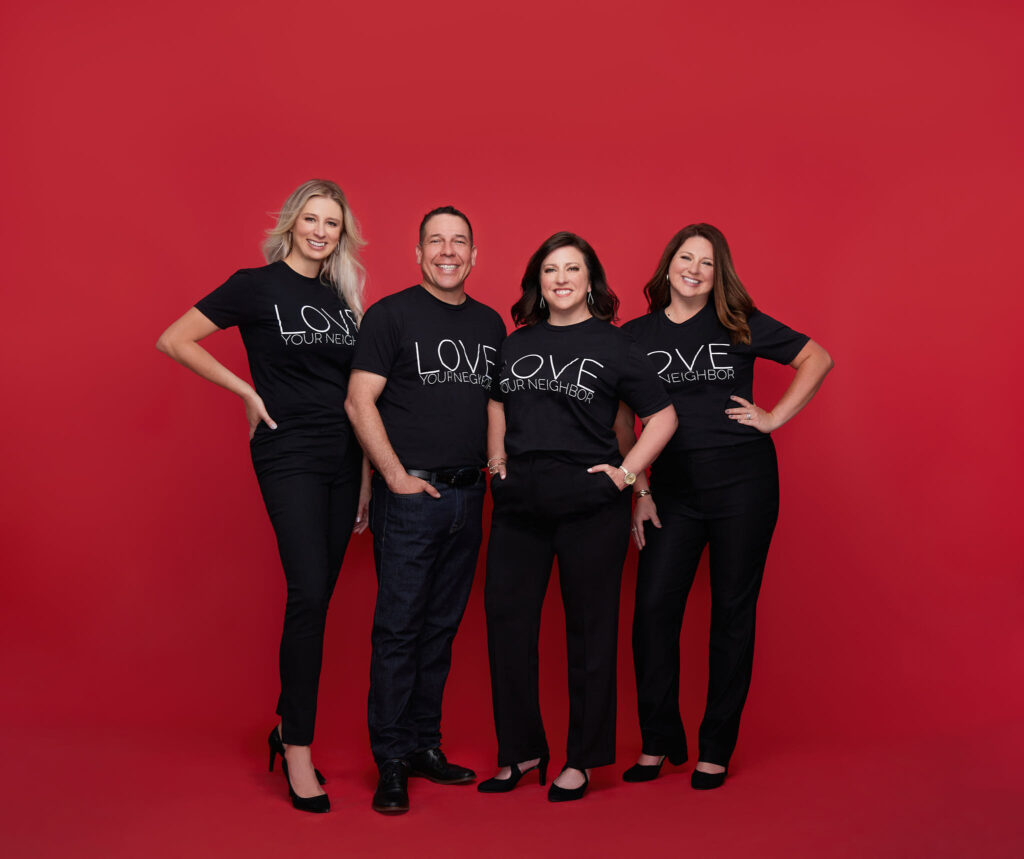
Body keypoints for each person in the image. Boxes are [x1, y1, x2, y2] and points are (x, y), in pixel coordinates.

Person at [156, 179, 370, 813]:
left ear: (341, 234)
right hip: (289, 452)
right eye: (312, 218)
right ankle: (298, 749)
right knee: (307, 592)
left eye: (332, 223)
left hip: (342, 456)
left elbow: (356, 395)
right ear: (291, 222)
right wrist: (247, 393)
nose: (321, 231)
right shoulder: (255, 285)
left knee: (320, 597)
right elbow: (174, 339)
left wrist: (362, 479)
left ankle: (284, 724)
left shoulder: (342, 298)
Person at [619, 223, 834, 789]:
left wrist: (774, 417)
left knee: (732, 616)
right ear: (668, 266)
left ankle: (716, 747)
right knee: (651, 617)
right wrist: (639, 489)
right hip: (671, 495)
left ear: (720, 275)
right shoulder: (634, 336)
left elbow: (817, 358)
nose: (694, 269)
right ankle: (660, 741)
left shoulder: (738, 324)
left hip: (745, 488)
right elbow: (622, 423)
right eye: (685, 258)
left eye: (707, 263)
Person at [478, 232, 677, 802]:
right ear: (537, 283)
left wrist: (626, 474)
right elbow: (496, 401)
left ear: (591, 280)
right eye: (549, 271)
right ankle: (520, 751)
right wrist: (497, 462)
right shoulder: (517, 344)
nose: (560, 279)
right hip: (518, 504)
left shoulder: (615, 346)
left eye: (572, 269)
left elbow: (661, 417)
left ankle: (582, 760)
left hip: (589, 504)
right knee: (506, 627)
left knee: (591, 633)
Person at [345, 206, 506, 815]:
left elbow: (494, 407)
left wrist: (496, 473)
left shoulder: (491, 324)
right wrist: (393, 479)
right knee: (399, 630)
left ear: (474, 255)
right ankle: (390, 758)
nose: (447, 251)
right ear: (417, 253)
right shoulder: (390, 315)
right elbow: (360, 403)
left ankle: (422, 746)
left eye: (459, 241)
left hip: (470, 496)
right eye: (435, 241)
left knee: (440, 630)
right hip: (411, 498)